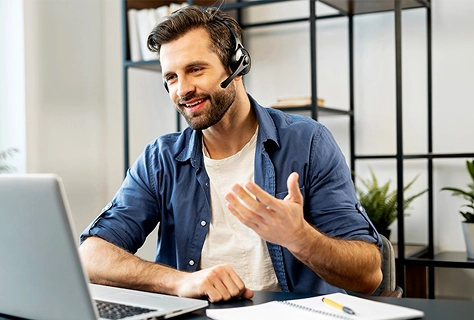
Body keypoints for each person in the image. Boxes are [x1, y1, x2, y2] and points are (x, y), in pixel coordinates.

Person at [79, 6, 382, 303]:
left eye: (195, 69)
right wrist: (179, 282)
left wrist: (299, 237)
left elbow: (369, 276)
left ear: (236, 66)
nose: (182, 89)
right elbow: (90, 256)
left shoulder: (308, 142)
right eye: (171, 77)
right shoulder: (162, 159)